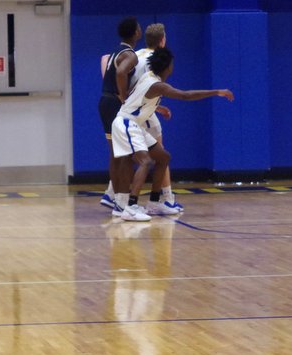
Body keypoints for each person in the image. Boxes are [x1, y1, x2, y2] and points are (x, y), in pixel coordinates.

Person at [110, 48, 233, 221]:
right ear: (168, 66)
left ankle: (153, 203)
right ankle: (130, 207)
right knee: (145, 161)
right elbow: (185, 95)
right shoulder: (157, 84)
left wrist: (157, 108)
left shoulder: (148, 77)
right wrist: (216, 92)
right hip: (126, 123)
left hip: (134, 123)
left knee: (163, 157)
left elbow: (137, 98)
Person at [129, 23, 184, 216]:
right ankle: (165, 198)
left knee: (152, 155)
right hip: (138, 113)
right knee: (158, 154)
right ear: (162, 40)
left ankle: (118, 196)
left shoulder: (135, 55)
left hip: (137, 107)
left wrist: (156, 106)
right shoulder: (155, 60)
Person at [99, 18, 142, 210]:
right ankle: (121, 201)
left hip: (106, 102)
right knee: (124, 154)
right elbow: (121, 72)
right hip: (114, 104)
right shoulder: (130, 54)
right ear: (136, 33)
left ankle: (115, 197)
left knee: (116, 154)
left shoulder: (117, 51)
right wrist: (124, 96)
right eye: (138, 27)